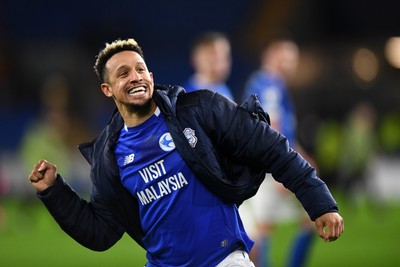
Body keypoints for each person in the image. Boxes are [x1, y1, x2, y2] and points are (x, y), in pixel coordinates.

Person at [28, 38, 344, 267]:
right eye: (123, 73)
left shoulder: (198, 110)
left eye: (140, 69)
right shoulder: (109, 159)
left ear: (151, 77)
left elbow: (272, 148)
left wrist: (319, 203)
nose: (135, 76)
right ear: (107, 90)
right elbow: (100, 233)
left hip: (224, 261)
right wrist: (54, 192)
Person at [240, 38, 317, 267]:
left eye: (292, 59)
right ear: (269, 56)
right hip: (271, 166)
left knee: (268, 229)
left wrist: (303, 157)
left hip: (272, 163)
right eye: (284, 58)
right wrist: (283, 169)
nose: (289, 64)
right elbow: (273, 126)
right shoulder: (269, 84)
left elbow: (285, 132)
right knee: (263, 232)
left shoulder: (269, 83)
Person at [182, 31, 234, 100]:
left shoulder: (224, 90)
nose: (221, 63)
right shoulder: (187, 98)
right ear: (196, 59)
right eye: (214, 57)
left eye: (225, 56)